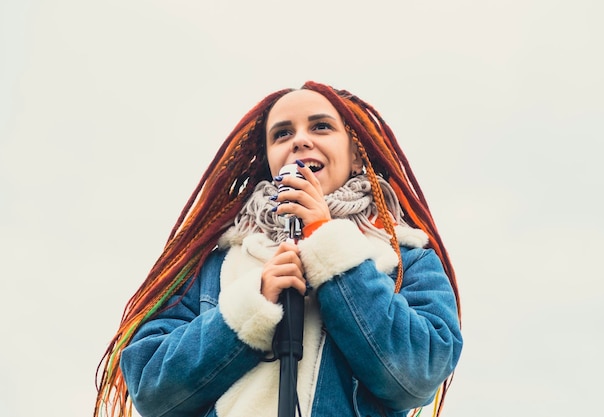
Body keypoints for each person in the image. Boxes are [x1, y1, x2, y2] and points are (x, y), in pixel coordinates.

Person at [94, 81, 463, 417]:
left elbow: (418, 372)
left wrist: (327, 246)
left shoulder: (406, 257)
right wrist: (250, 307)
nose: (300, 140)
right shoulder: (215, 263)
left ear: (356, 155)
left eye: (321, 126)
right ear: (269, 159)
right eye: (282, 133)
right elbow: (149, 386)